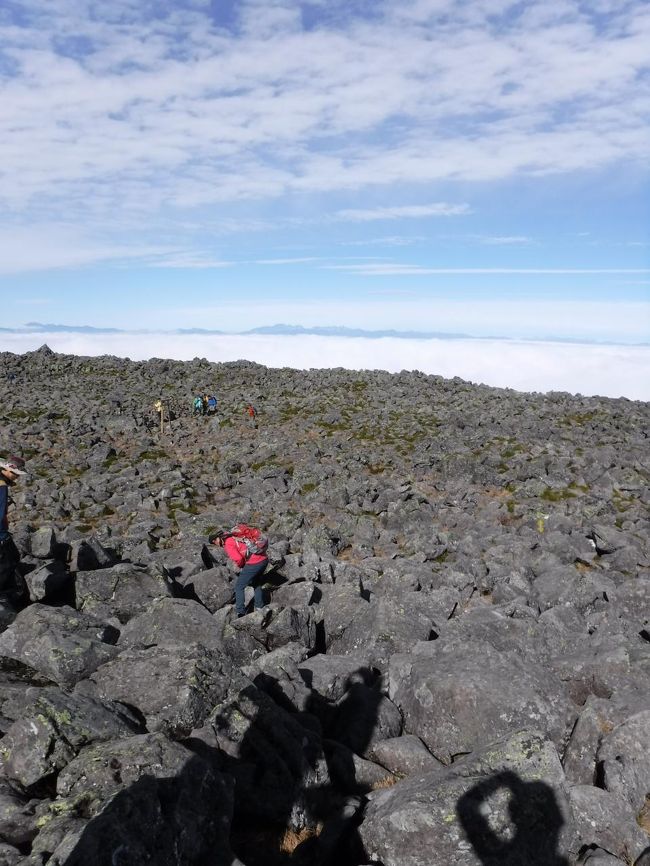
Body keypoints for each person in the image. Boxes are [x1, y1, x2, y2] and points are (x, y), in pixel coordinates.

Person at [209, 529, 268, 617]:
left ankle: (240, 612)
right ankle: (259, 606)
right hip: (263, 558)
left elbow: (238, 558)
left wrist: (241, 566)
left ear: (217, 539)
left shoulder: (228, 543)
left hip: (254, 563)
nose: (215, 543)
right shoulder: (234, 537)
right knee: (256, 582)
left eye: (214, 541)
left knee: (239, 587)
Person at [0, 455, 27, 598]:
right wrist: (2, 536)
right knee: (8, 561)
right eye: (16, 474)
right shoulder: (2, 486)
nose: (17, 477)